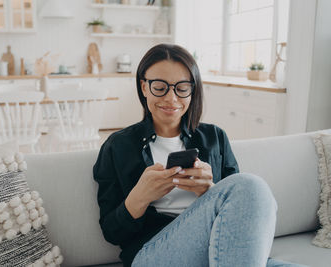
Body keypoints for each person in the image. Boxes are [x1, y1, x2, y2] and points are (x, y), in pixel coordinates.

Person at [93, 44, 305, 267]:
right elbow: (112, 233)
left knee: (252, 190)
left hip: (220, 247)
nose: (171, 98)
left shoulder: (215, 137)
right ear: (144, 87)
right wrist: (140, 196)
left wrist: (209, 190)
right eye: (160, 87)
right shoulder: (118, 146)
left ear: (193, 90)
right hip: (153, 253)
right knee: (250, 185)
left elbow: (241, 211)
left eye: (182, 88)